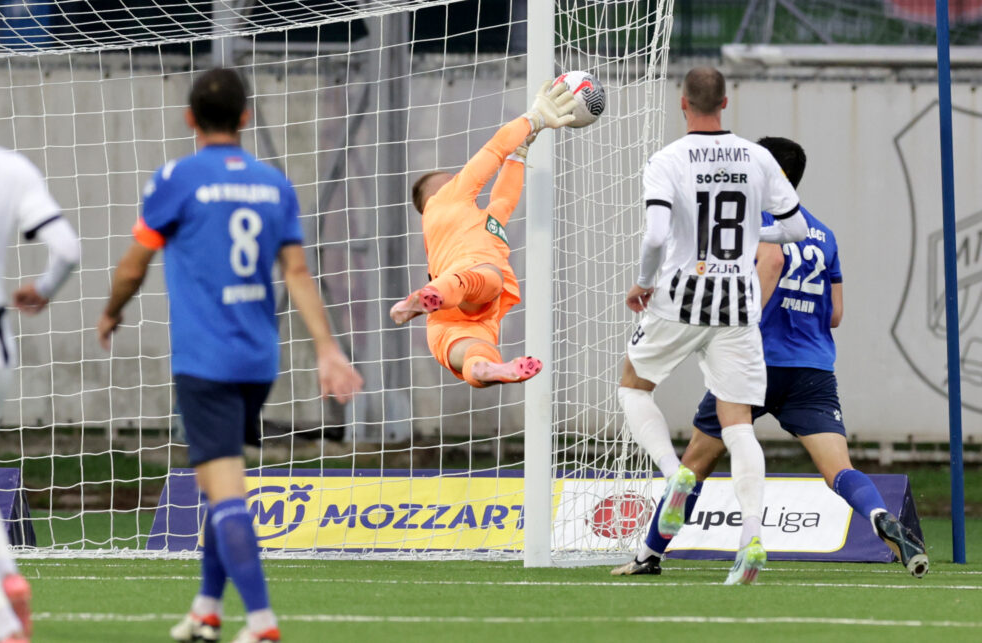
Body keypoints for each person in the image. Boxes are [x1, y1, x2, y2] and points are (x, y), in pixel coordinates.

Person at [97, 68, 363, 643]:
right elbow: (297, 272)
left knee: (226, 493)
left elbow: (135, 264)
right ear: (246, 117)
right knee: (223, 485)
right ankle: (207, 610)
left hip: (206, 362)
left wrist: (112, 310)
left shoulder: (177, 178)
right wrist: (327, 348)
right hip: (258, 361)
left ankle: (262, 621)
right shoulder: (274, 184)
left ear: (189, 119)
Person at [622, 136, 929, 579]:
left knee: (695, 464)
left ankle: (649, 555)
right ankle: (881, 516)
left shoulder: (756, 223)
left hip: (755, 362)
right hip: (812, 368)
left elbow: (768, 263)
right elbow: (836, 314)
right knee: (839, 470)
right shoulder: (823, 233)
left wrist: (745, 317)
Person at [610, 68, 808, 585]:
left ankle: (671, 470)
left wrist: (643, 283)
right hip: (737, 306)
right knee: (738, 425)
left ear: (683, 103)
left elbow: (656, 236)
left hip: (680, 297)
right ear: (725, 101)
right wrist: (751, 236)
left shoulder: (668, 160)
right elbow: (795, 228)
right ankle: (752, 539)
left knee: (633, 385)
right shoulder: (757, 157)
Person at [0, 48, 81, 642]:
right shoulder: (7, 167)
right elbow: (68, 249)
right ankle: (8, 576)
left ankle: (5, 621)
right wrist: (44, 289)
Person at [389, 80, 578, 387]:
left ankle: (485, 369)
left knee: (476, 354)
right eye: (452, 178)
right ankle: (437, 298)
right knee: (489, 277)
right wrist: (534, 118)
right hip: (472, 285)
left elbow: (504, 200)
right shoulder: (448, 197)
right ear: (434, 194)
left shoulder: (473, 221)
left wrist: (521, 151)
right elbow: (495, 148)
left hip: (446, 317)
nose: (459, 178)